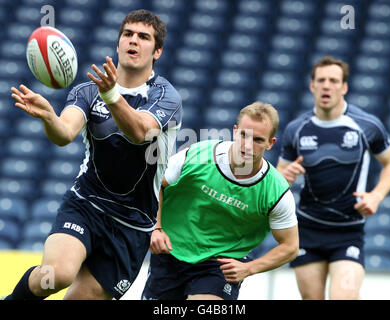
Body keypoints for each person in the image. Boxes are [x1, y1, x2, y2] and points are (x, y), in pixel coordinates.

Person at [5, 9, 182, 300]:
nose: (133, 41)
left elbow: (141, 132)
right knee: (56, 275)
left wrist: (112, 95)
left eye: (143, 37)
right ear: (118, 43)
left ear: (157, 51)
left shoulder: (165, 96)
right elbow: (64, 133)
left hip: (133, 225)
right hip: (86, 204)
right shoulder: (88, 90)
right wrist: (50, 117)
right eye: (127, 34)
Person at [141, 102, 299, 300]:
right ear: (235, 131)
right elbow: (155, 185)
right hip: (171, 251)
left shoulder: (275, 190)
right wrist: (157, 227)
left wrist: (249, 268)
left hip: (221, 262)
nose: (248, 145)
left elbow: (290, 246)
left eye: (258, 140)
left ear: (271, 143)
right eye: (244, 135)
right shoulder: (196, 156)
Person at [277, 56, 390, 300]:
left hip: (348, 230)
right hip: (307, 229)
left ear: (344, 87)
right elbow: (277, 182)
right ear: (312, 86)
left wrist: (376, 196)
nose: (326, 85)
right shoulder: (296, 129)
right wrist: (285, 178)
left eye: (333, 80)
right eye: (321, 80)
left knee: (343, 297)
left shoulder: (367, 125)